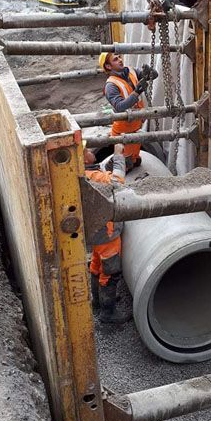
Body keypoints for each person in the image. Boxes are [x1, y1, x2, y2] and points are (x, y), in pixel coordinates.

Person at [83, 143, 130, 324]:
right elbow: (116, 183)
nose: (90, 152)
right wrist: (118, 156)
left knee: (96, 264)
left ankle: (98, 301)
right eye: (86, 151)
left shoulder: (82, 174)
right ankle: (108, 312)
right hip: (106, 231)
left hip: (95, 231)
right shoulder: (91, 176)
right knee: (111, 271)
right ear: (82, 159)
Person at [98, 52, 158, 171]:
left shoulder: (131, 71)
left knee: (135, 159)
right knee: (125, 164)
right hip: (123, 129)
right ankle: (112, 166)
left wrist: (150, 72)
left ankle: (131, 160)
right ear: (108, 66)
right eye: (115, 59)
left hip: (135, 123)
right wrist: (137, 92)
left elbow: (154, 75)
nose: (120, 60)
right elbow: (120, 106)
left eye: (119, 57)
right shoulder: (111, 85)